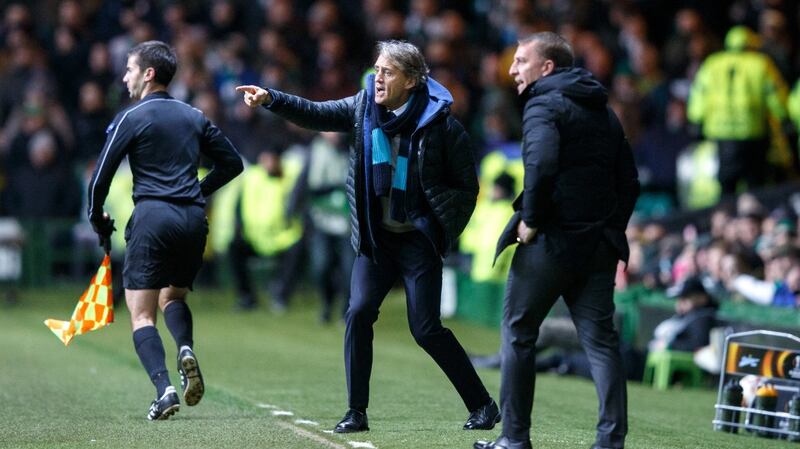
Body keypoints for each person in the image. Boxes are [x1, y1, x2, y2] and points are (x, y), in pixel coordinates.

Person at [236, 40, 499, 433]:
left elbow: (466, 186)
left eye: (388, 72)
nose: (378, 79)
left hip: (417, 240)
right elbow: (316, 113)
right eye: (377, 70)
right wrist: (272, 97)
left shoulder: (442, 125)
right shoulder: (363, 109)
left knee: (426, 329)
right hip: (377, 238)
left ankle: (483, 405)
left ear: (411, 80)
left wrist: (440, 226)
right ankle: (356, 412)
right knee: (358, 313)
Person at [475, 32, 639, 449]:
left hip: (550, 242)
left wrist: (530, 219)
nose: (512, 70)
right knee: (602, 344)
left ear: (546, 68)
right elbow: (630, 182)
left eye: (520, 61)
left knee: (518, 332)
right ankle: (610, 442)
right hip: (598, 245)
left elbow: (542, 162)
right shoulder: (605, 112)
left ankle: (514, 439)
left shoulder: (542, 103)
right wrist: (609, 227)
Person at [87, 41, 243, 420]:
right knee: (172, 298)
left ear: (148, 73)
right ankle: (185, 347)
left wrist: (97, 217)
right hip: (192, 220)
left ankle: (164, 389)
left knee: (141, 315)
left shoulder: (132, 117)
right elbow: (233, 163)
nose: (125, 77)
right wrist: (195, 193)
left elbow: (100, 179)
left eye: (129, 69)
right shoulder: (194, 116)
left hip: (153, 218)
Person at [686, 25, 789, 195]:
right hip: (752, 131)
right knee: (755, 184)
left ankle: (727, 219)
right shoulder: (761, 63)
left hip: (722, 133)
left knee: (727, 183)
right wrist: (784, 118)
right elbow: (775, 94)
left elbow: (698, 93)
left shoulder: (712, 63)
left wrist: (695, 119)